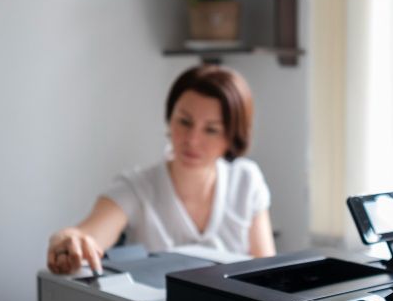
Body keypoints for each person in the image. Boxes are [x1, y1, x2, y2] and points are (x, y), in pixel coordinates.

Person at [47, 64, 276, 274]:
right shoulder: (137, 188)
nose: (192, 140)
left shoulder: (247, 180)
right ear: (170, 119)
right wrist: (67, 239)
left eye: (211, 130)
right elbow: (86, 234)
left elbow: (269, 273)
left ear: (232, 136)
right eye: (184, 122)